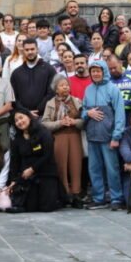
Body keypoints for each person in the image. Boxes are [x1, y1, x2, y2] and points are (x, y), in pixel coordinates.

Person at [82, 60, 126, 211]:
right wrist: (88, 113)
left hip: (108, 137)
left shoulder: (113, 89)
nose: (95, 73)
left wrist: (116, 136)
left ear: (104, 71)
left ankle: (116, 198)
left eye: (98, 71)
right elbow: (83, 111)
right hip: (92, 136)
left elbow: (120, 114)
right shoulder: (88, 89)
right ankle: (98, 198)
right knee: (94, 169)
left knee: (112, 169)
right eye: (93, 71)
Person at [6, 109, 62, 213]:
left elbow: (47, 155)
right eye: (16, 120)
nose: (19, 122)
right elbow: (15, 161)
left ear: (29, 117)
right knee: (31, 207)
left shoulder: (44, 132)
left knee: (46, 208)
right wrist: (14, 180)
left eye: (21, 117)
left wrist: (32, 169)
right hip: (28, 176)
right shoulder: (17, 139)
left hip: (46, 173)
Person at [42, 76, 85, 208]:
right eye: (61, 85)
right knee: (61, 165)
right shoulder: (50, 103)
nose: (65, 87)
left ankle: (76, 194)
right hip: (58, 136)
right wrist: (60, 123)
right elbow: (45, 122)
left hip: (74, 136)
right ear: (56, 88)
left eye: (67, 85)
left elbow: (85, 120)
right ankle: (64, 194)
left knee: (76, 165)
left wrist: (74, 122)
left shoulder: (77, 101)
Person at [9, 38, 56, 118]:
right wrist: (26, 112)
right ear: (23, 51)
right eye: (27, 50)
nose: (30, 52)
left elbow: (51, 93)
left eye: (32, 49)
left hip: (44, 116)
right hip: (23, 116)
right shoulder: (16, 73)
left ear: (37, 49)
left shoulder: (49, 69)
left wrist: (38, 110)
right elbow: (14, 98)